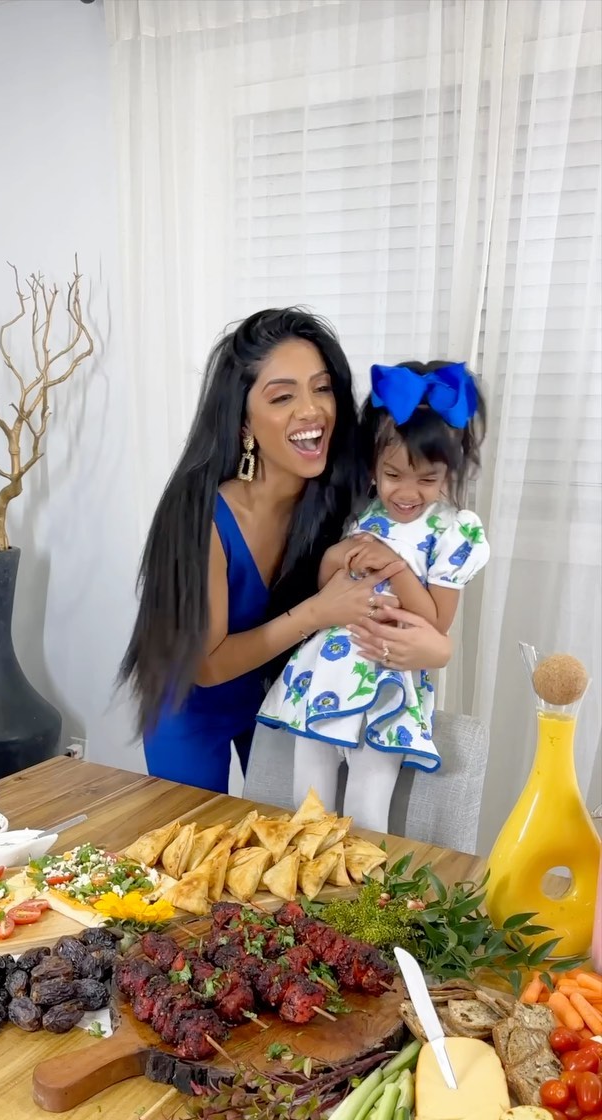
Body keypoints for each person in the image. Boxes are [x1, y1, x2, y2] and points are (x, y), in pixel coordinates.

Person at [120, 312, 454, 794]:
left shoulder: (353, 499)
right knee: (192, 836)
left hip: (283, 698)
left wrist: (439, 648)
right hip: (191, 705)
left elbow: (409, 598)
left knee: (292, 830)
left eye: (322, 389)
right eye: (282, 397)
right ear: (243, 421)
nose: (311, 411)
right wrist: (319, 611)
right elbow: (207, 665)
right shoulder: (200, 514)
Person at [258, 360, 490, 830]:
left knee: (367, 805)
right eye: (393, 474)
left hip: (387, 679)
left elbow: (436, 623)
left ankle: (364, 877)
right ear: (372, 467)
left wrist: (395, 567)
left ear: (450, 472)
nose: (407, 492)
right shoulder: (363, 513)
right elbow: (327, 583)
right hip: (326, 670)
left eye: (427, 479)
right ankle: (306, 868)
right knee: (308, 802)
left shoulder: (453, 531)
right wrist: (338, 555)